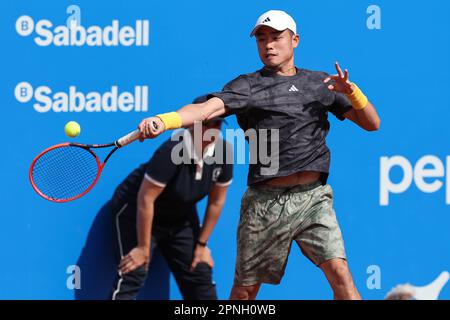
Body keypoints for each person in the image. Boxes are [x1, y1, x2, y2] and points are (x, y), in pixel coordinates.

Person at [137, 10, 381, 300]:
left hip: (314, 198)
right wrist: (166, 120)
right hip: (265, 204)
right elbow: (205, 110)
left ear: (295, 40)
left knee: (340, 273)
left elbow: (372, 124)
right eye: (262, 39)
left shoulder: (322, 83)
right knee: (244, 294)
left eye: (277, 38)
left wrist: (352, 92)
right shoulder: (247, 86)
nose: (269, 45)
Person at [110, 95, 233, 300]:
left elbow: (216, 202)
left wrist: (202, 246)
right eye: (206, 123)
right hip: (135, 210)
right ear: (190, 125)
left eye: (217, 124)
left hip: (179, 217)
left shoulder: (224, 152)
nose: (212, 129)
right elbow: (145, 199)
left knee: (199, 270)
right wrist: (142, 247)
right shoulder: (172, 150)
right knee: (135, 270)